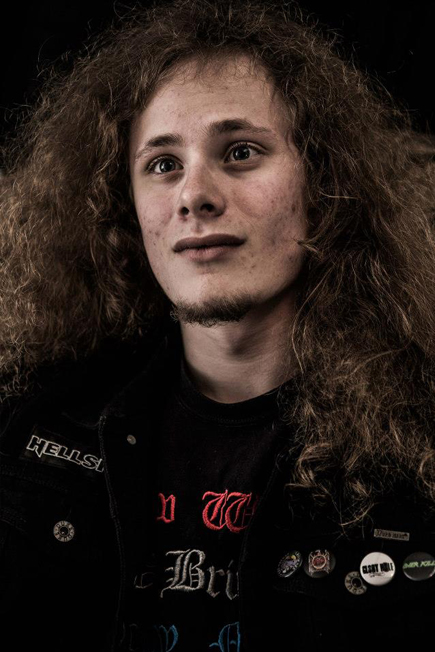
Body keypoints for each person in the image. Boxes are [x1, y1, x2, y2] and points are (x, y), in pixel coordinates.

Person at [1, 1, 435, 650]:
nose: (193, 194)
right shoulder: (30, 422)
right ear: (126, 206)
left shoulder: (416, 446)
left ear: (324, 185)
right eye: (162, 164)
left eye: (240, 152)